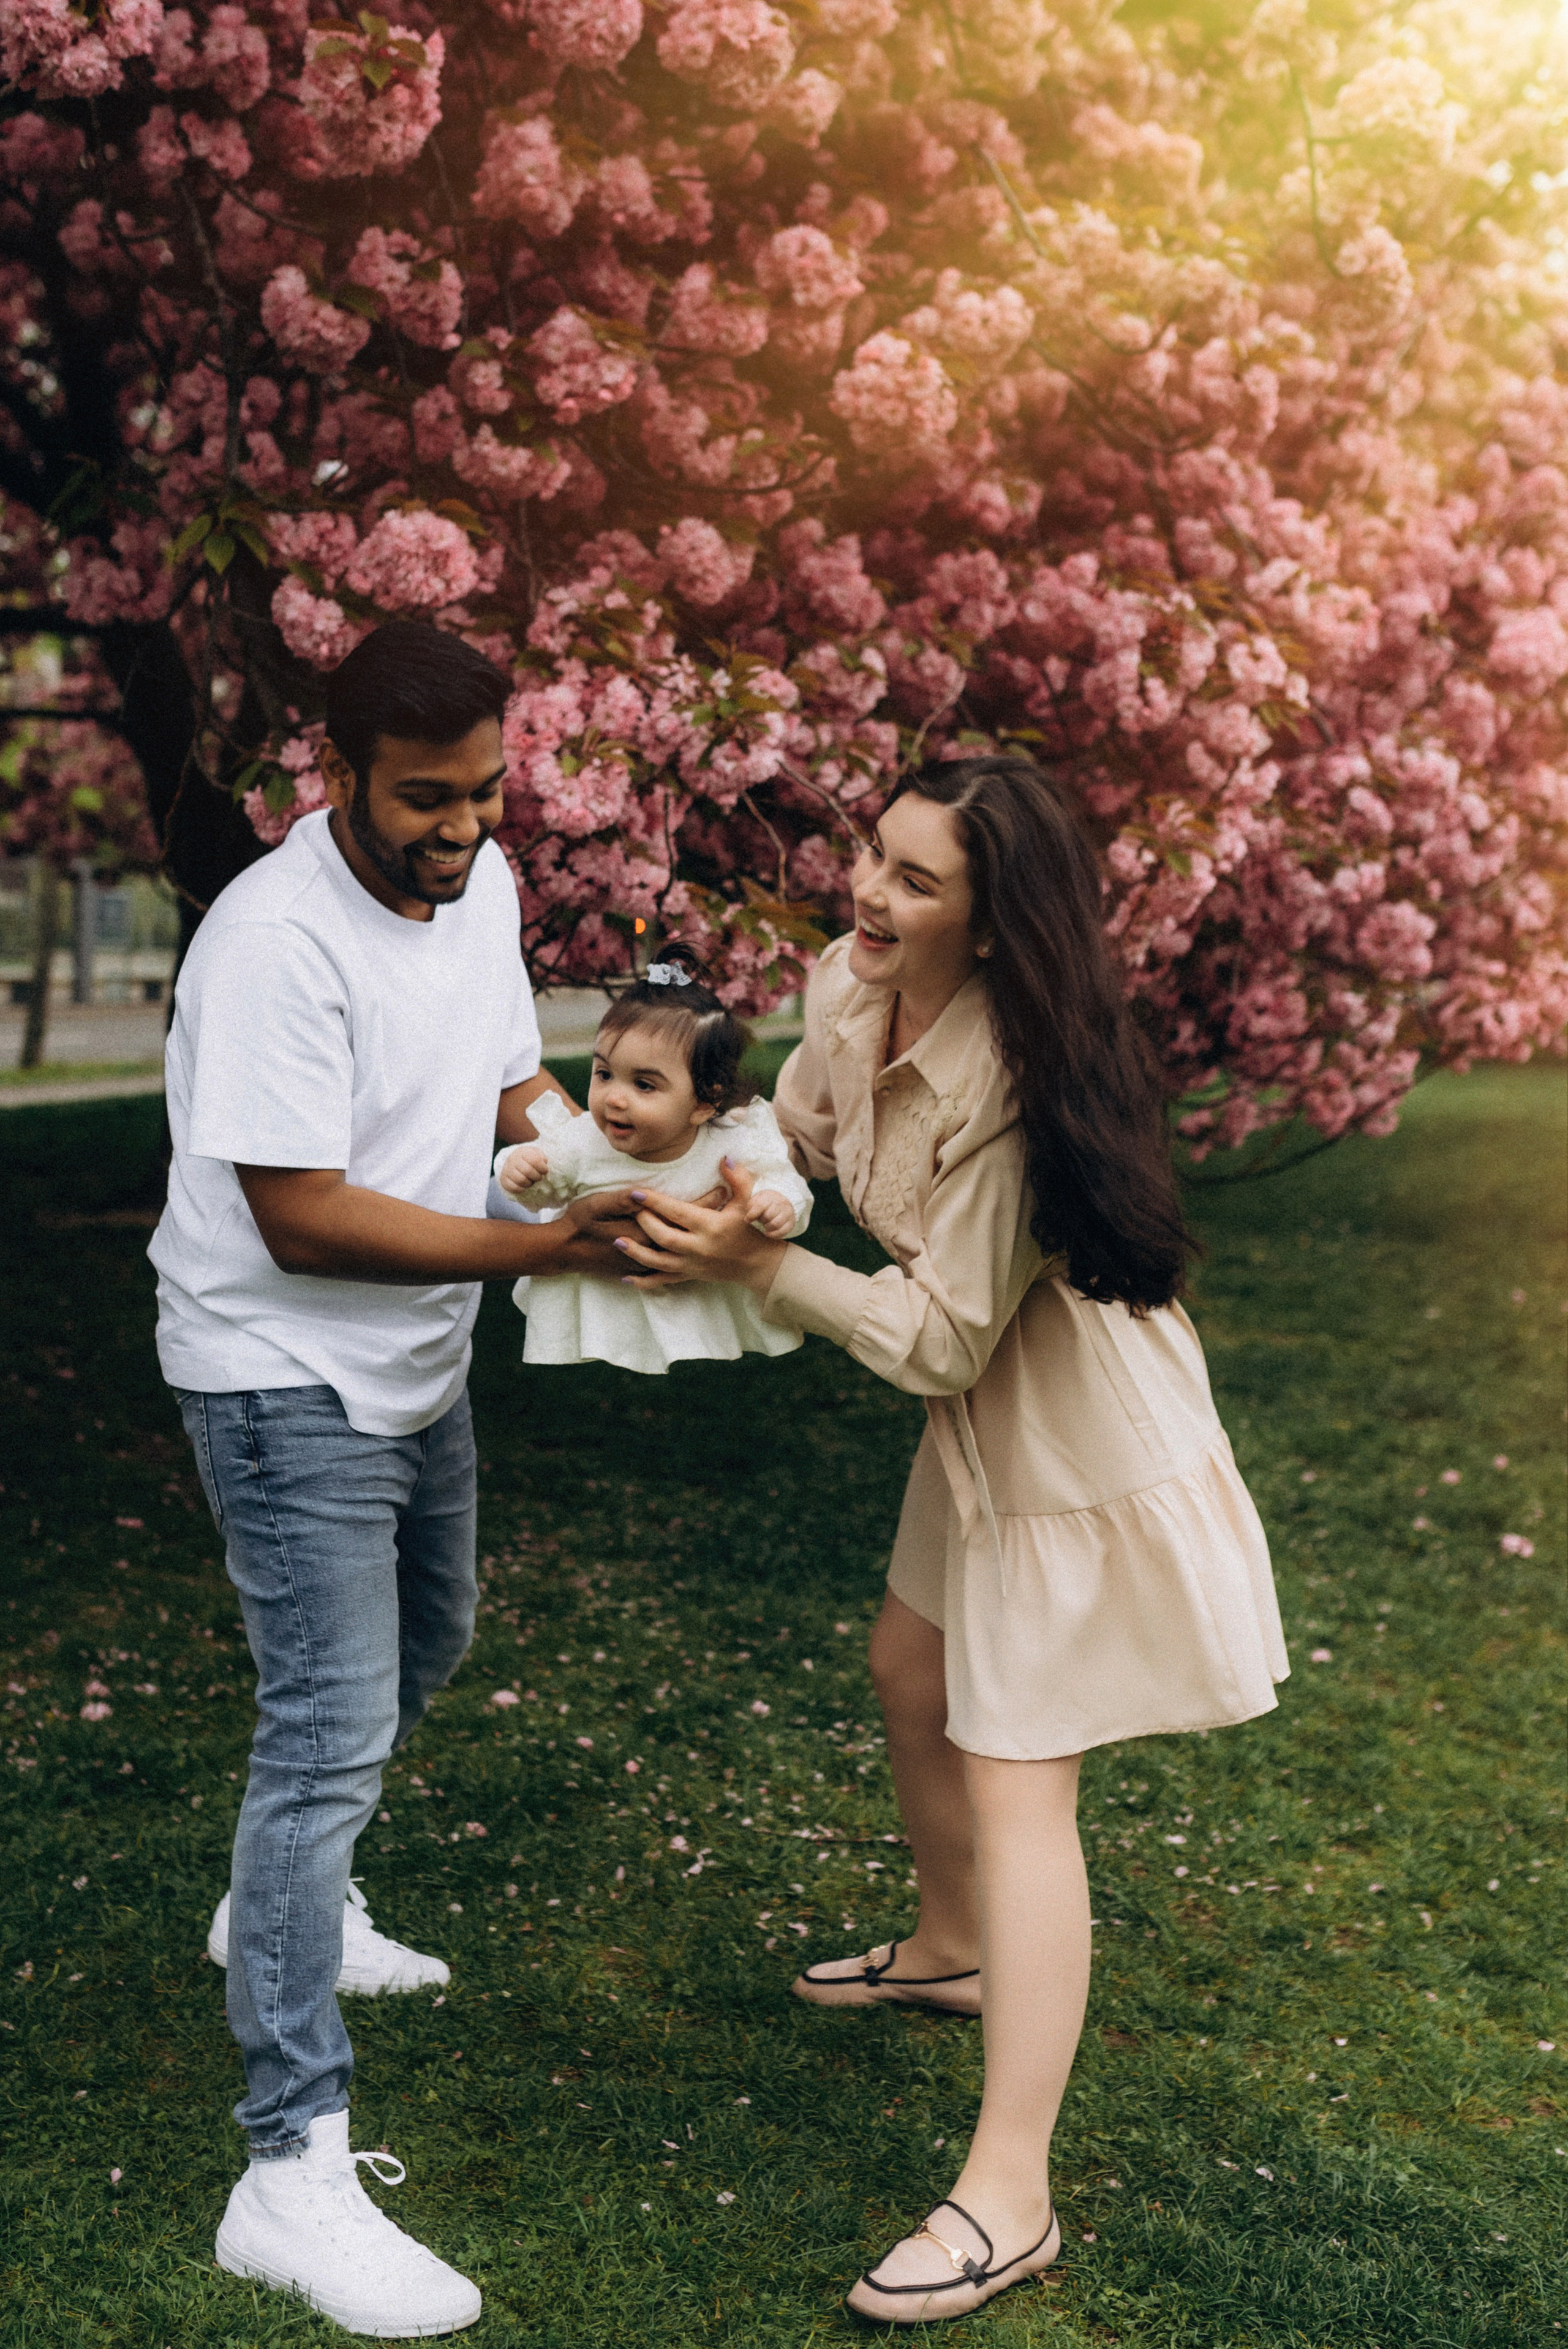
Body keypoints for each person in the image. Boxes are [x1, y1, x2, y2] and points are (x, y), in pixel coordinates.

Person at [617, 753, 1287, 2326]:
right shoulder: (854, 982)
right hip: (979, 1422)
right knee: (906, 1662)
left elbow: (934, 1336)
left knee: (1017, 1768)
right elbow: (793, 1132)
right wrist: (681, 1181)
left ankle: (1009, 2191)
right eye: (875, 853)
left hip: (1066, 1440)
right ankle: (946, 1944)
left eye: (917, 882)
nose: (869, 890)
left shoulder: (1008, 1072)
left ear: (990, 926)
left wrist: (752, 1270)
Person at [148, 620, 634, 2339]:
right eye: (427, 797)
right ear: (333, 771)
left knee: (433, 1642)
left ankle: (285, 1903)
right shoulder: (272, 942)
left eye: (488, 789)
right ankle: (286, 2170)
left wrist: (605, 1170)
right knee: (323, 1732)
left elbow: (509, 1081)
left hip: (412, 1363)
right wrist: (537, 1245)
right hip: (280, 1369)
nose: (462, 824)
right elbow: (304, 1211)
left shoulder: (480, 883)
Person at [494, 945, 812, 1373]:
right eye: (604, 1074)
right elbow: (542, 1184)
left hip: (696, 1294)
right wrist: (521, 1170)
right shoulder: (585, 1142)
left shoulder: (730, 1146)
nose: (614, 1098)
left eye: (644, 1084)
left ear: (704, 1103)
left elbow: (782, 1181)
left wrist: (780, 1204)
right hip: (609, 1299)